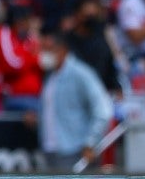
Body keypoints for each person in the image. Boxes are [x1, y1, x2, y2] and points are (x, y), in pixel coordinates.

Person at [38, 31, 113, 171]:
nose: (44, 54)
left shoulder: (81, 73)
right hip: (51, 151)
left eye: (49, 50)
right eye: (43, 49)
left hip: (74, 151)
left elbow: (103, 110)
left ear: (63, 50)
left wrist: (91, 142)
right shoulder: (50, 76)